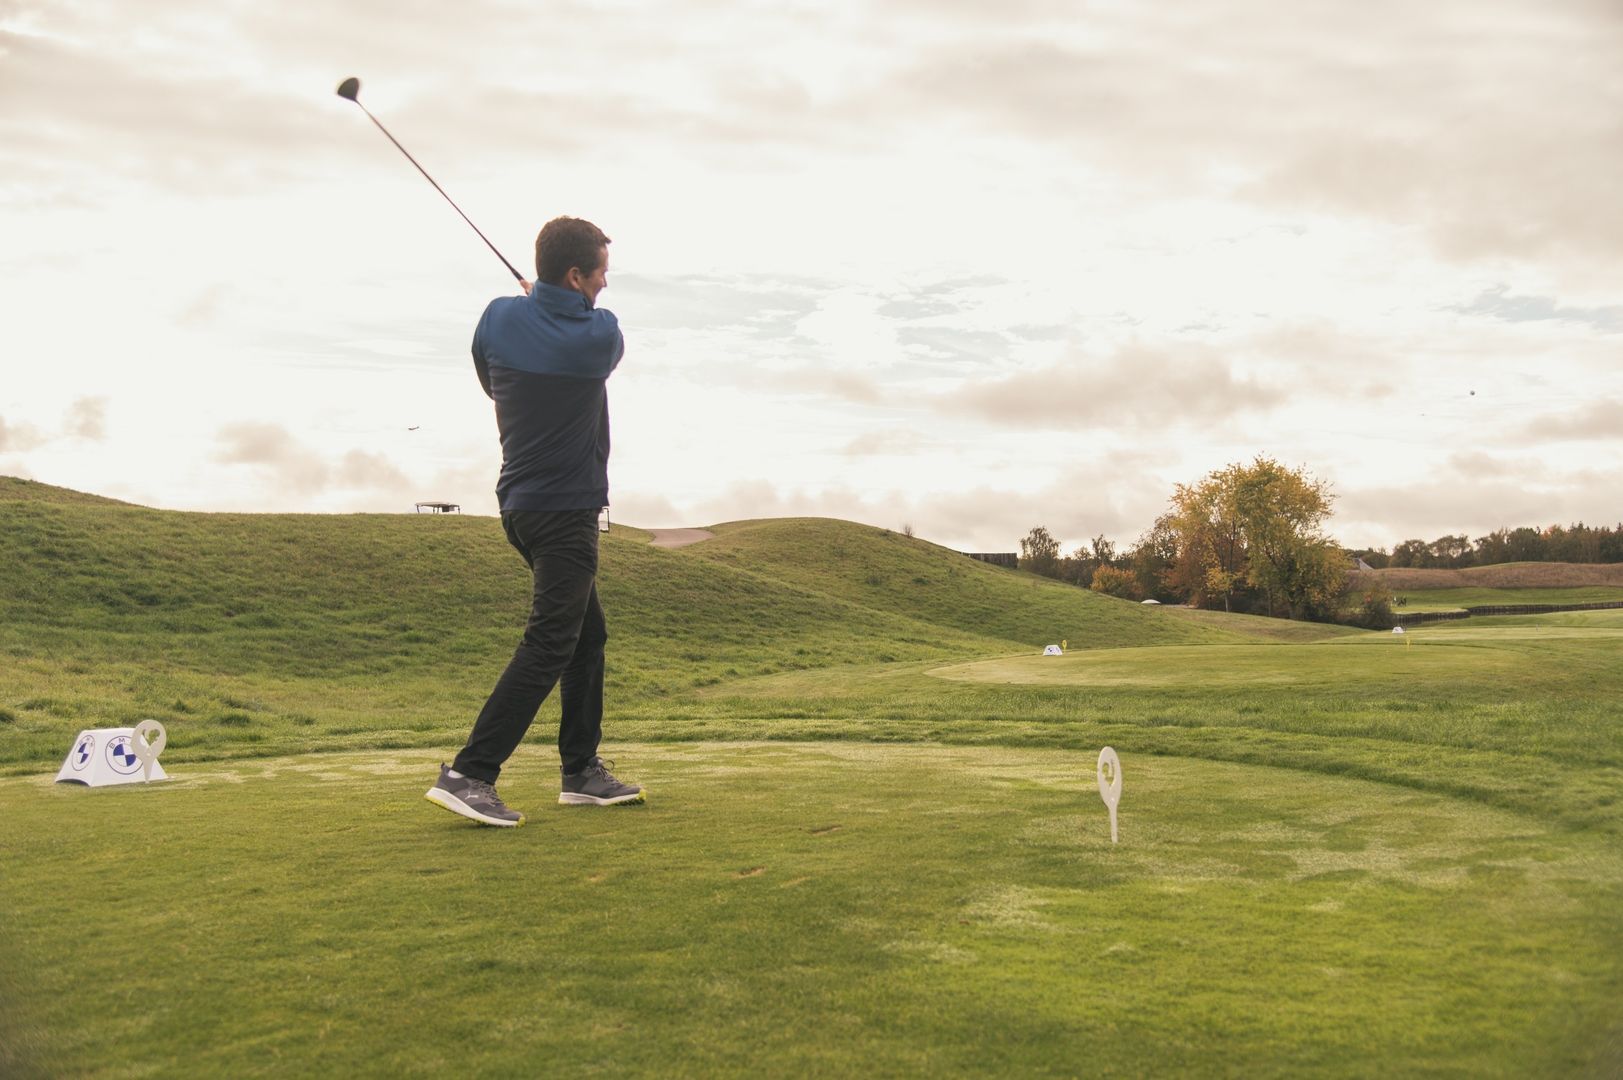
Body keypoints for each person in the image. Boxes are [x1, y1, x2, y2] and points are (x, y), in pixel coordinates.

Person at [425, 216, 643, 827]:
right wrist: (547, 307)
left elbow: (492, 383)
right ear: (575, 277)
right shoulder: (599, 336)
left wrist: (536, 306)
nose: (604, 284)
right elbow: (594, 328)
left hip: (519, 506)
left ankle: (581, 771)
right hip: (565, 510)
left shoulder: (498, 317)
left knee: (587, 636)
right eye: (599, 274)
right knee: (550, 642)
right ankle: (471, 772)